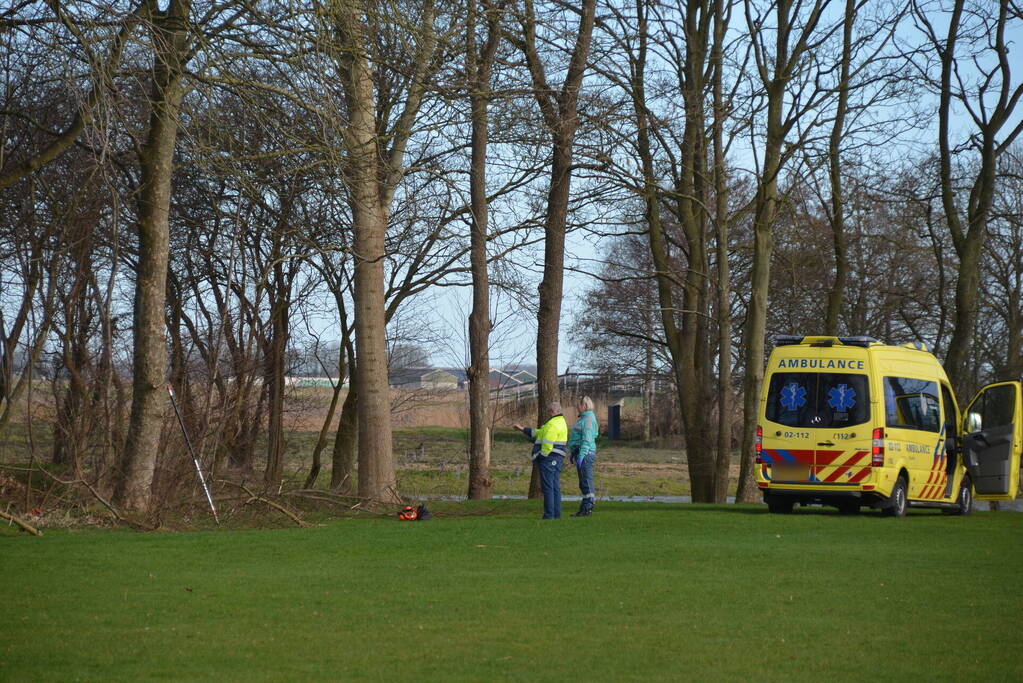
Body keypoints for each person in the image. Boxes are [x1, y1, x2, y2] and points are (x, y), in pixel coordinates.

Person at [514, 401, 569, 519]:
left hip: (549, 458)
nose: (548, 414)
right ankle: (556, 514)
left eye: (549, 411)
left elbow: (548, 445)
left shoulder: (552, 425)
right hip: (557, 458)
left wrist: (541, 457)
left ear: (553, 411)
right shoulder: (560, 422)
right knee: (555, 486)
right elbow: (539, 433)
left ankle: (549, 515)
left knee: (548, 487)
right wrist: (523, 429)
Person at [568, 396, 599, 516]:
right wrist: (573, 452)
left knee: (586, 481)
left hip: (585, 454)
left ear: (584, 406)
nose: (577, 407)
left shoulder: (588, 420)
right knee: (583, 482)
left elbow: (586, 440)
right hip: (580, 452)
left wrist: (581, 456)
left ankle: (588, 506)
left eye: (579, 405)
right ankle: (585, 507)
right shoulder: (584, 418)